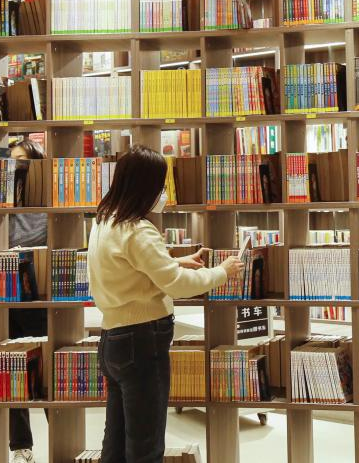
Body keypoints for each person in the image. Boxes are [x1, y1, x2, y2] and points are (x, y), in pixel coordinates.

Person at [88, 145, 244, 463]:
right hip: (142, 341)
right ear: (146, 187)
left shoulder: (104, 221)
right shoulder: (138, 229)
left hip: (113, 339)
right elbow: (177, 285)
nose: (163, 193)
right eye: (160, 185)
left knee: (115, 443)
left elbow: (131, 268)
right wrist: (221, 272)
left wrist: (176, 261)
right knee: (145, 447)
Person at [7, 138, 49, 463]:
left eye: (22, 161)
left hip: (41, 298)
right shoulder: (4, 200)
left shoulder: (47, 202)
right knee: (11, 372)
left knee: (46, 373)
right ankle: (21, 447)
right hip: (6, 295)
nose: (16, 167)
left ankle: (63, 438)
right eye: (12, 161)